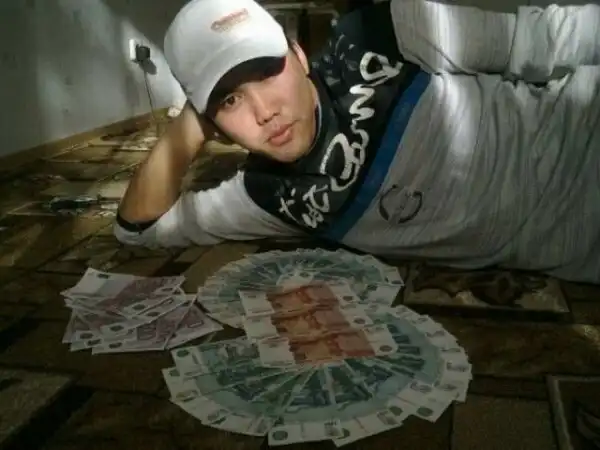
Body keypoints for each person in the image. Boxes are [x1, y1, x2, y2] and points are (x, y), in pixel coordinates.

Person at [115, 0, 600, 284]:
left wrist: (217, 100)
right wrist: (190, 126)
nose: (264, 112)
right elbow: (137, 230)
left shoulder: (382, 33)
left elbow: (549, 39)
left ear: (299, 55)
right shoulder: (265, 196)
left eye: (266, 71)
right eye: (230, 100)